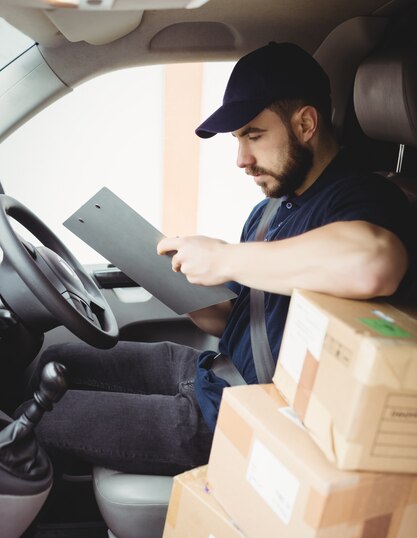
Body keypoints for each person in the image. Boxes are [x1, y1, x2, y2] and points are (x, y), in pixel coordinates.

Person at [29, 42, 413, 476]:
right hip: (213, 370)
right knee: (56, 358)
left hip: (243, 415)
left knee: (42, 415)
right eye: (237, 140)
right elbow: (237, 319)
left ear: (305, 123)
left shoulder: (363, 196)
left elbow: (374, 262)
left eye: (253, 135)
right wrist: (180, 283)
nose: (241, 160)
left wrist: (226, 258)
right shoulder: (270, 210)